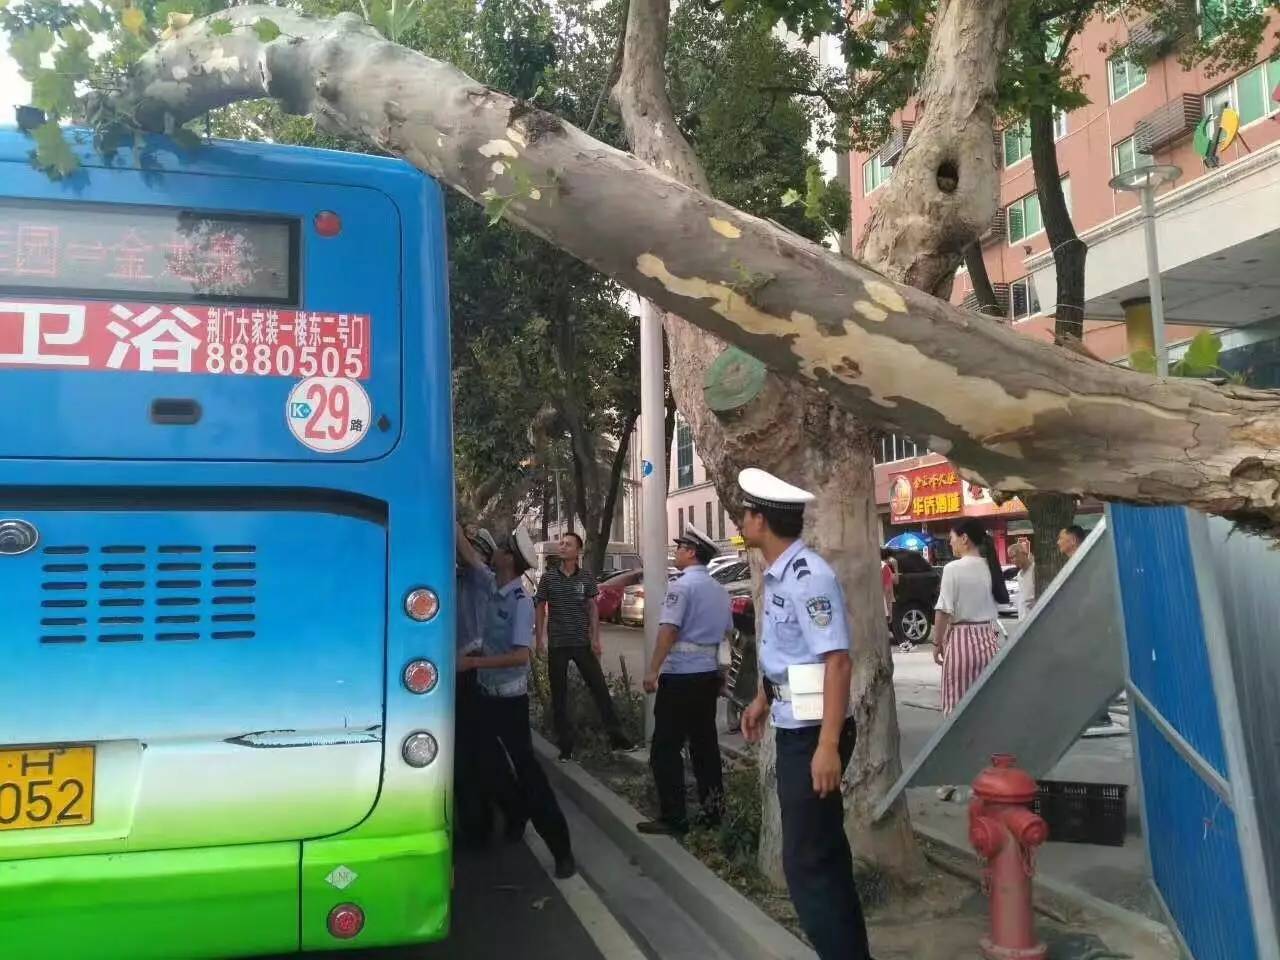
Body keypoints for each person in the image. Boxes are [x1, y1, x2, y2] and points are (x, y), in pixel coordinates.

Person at [737, 468, 871, 960]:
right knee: (823, 858)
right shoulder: (781, 575)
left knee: (806, 863)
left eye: (747, 512)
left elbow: (836, 661)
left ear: (761, 521)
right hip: (798, 725)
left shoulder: (807, 576)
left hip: (814, 734)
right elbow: (794, 658)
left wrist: (828, 746)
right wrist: (762, 699)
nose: (743, 520)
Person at [461, 527, 578, 879]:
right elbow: (468, 554)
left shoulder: (520, 602)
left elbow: (519, 657)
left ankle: (562, 850)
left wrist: (474, 662)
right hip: (485, 696)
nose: (491, 553)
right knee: (486, 765)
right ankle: (514, 811)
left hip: (510, 704)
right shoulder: (492, 586)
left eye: (498, 549)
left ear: (509, 559)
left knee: (530, 774)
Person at [637, 524, 731, 836]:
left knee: (664, 749)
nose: (675, 552)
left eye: (679, 547)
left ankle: (674, 817)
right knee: (705, 747)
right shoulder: (719, 590)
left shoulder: (681, 587)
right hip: (707, 676)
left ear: (691, 553)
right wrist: (723, 675)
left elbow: (668, 631)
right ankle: (714, 812)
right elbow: (726, 638)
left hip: (680, 677)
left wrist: (653, 669)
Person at [454, 523, 524, 848]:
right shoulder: (459, 580)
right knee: (469, 754)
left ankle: (504, 813)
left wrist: (448, 513)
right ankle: (478, 822)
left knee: (479, 754)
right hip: (460, 673)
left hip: (473, 672)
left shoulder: (484, 579)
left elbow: (467, 555)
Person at [536, 532, 634, 760]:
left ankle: (617, 737)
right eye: (561, 543)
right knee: (560, 696)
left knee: (599, 689)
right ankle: (565, 746)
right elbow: (540, 607)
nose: (562, 547)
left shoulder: (586, 578)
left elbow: (592, 608)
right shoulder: (548, 578)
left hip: (582, 644)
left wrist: (596, 638)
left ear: (578, 551)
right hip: (558, 644)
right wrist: (540, 638)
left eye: (567, 544)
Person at [933, 518, 1009, 715]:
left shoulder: (953, 569)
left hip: (961, 644)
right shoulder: (990, 567)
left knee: (956, 710)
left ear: (964, 538)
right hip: (989, 642)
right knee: (987, 710)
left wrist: (937, 643)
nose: (950, 543)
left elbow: (943, 610)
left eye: (952, 538)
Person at [1057, 525, 1113, 728]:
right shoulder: (1076, 562)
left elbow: (1091, 596)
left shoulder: (1087, 562)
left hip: (1089, 624)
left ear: (1072, 540)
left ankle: (1098, 713)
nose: (1058, 542)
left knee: (1089, 668)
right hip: (1080, 624)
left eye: (1061, 538)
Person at [1010, 539, 1036, 620]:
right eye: (1011, 558)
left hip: (1034, 617)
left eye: (1015, 556)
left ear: (1023, 553)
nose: (1013, 560)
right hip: (1022, 617)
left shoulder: (1035, 570)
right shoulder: (1019, 574)